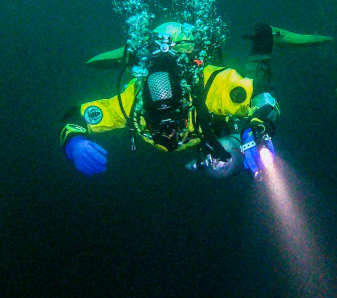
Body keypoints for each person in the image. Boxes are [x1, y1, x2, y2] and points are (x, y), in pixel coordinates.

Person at [61, 21, 280, 180]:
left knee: (253, 79)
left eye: (175, 115)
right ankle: (130, 54)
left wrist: (258, 127)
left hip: (214, 126)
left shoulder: (210, 84)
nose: (168, 131)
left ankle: (263, 41)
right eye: (155, 116)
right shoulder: (132, 99)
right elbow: (75, 117)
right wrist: (74, 143)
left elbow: (261, 95)